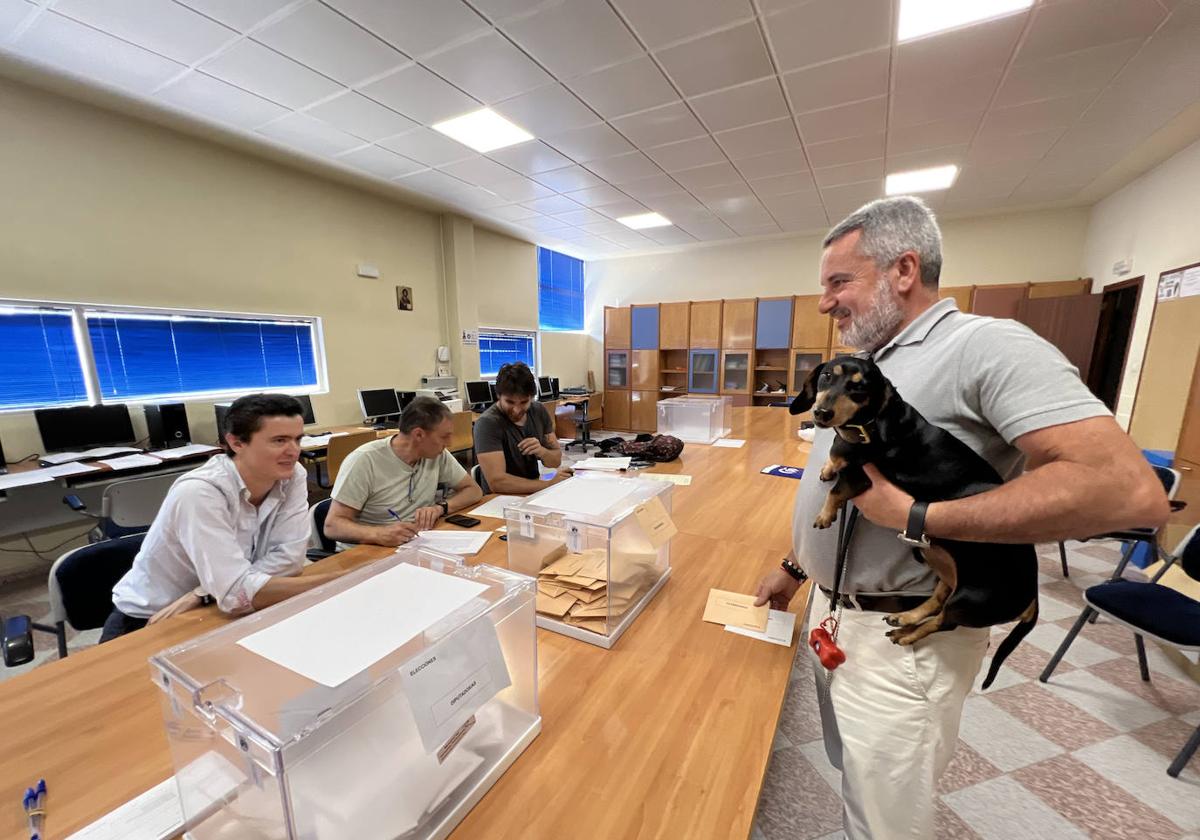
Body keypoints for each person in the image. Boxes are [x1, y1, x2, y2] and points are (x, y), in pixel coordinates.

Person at [752, 196, 1169, 839]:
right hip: (837, 611)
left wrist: (917, 516)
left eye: (840, 282)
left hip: (907, 631)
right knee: (856, 778)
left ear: (903, 270)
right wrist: (796, 566)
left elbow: (1124, 491)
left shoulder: (985, 346)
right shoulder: (872, 365)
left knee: (886, 818)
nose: (824, 303)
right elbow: (853, 488)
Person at [103, 394, 346, 642]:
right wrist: (339, 581)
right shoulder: (200, 492)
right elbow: (234, 594)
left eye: (297, 439)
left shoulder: (292, 476)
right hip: (154, 619)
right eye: (279, 440)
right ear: (236, 443)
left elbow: (290, 560)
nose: (293, 451)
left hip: (216, 608)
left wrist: (204, 593)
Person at [324, 396, 482, 549]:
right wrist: (378, 534)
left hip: (414, 543)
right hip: (368, 551)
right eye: (444, 437)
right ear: (418, 434)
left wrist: (440, 507)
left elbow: (473, 490)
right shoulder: (364, 461)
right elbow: (332, 525)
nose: (449, 443)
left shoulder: (436, 455)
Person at [474, 362, 570, 494]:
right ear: (498, 396)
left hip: (533, 492)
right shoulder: (487, 424)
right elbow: (497, 483)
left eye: (524, 402)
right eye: (510, 402)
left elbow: (555, 461)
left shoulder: (538, 411)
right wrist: (546, 484)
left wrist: (542, 451)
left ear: (531, 397)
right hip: (500, 500)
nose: (516, 409)